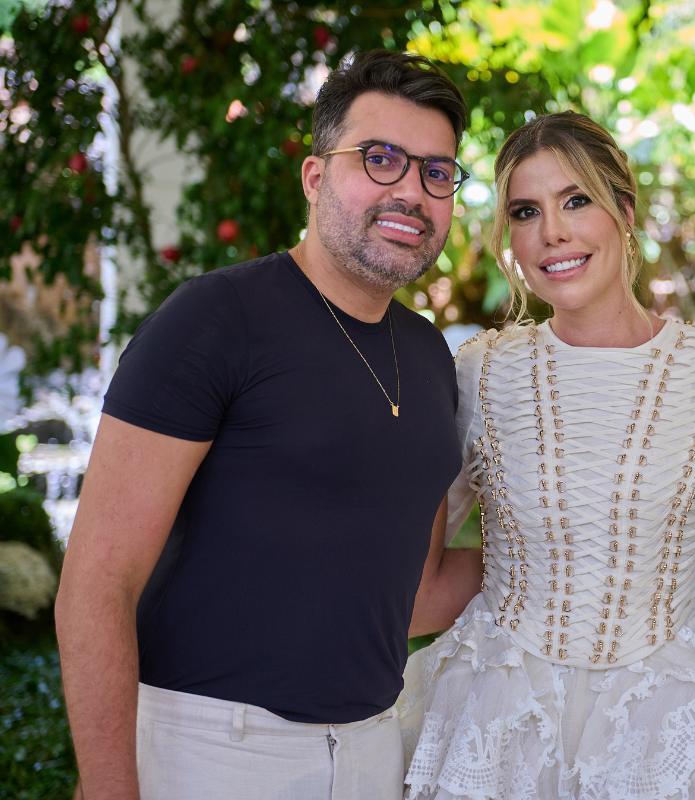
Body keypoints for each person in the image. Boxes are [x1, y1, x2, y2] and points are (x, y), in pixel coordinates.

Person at [55, 51, 479, 800]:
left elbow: (411, 597)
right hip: (208, 750)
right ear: (316, 178)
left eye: (436, 172)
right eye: (380, 159)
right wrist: (108, 788)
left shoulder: (430, 358)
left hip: (372, 753)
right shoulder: (216, 321)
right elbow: (97, 584)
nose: (410, 191)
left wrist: (581, 564)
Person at [397, 110, 695, 799]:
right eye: (526, 211)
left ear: (625, 211)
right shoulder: (479, 373)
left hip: (666, 723)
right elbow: (408, 563)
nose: (553, 232)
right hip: (496, 714)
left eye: (576, 200)